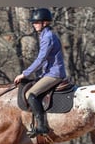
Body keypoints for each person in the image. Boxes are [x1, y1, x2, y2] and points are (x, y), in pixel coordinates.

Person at [14, 8, 66, 137]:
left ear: (45, 23)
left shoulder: (47, 37)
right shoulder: (45, 35)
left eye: (36, 22)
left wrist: (24, 74)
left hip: (54, 74)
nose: (34, 24)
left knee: (31, 94)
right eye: (34, 22)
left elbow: (41, 59)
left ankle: (41, 126)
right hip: (48, 73)